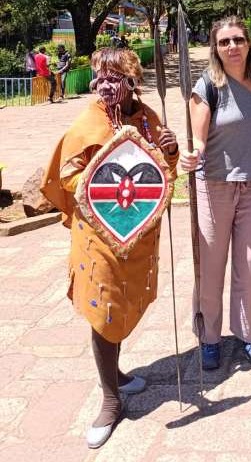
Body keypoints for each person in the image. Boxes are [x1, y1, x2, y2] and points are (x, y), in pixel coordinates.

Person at [40, 48, 179, 448]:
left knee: (124, 303)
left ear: (132, 81)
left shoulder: (148, 120)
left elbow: (162, 177)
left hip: (135, 239)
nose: (105, 85)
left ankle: (116, 376)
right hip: (96, 237)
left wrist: (167, 150)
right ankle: (111, 400)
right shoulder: (89, 123)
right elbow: (69, 179)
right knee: (103, 308)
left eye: (114, 77)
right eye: (100, 77)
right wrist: (101, 174)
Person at [179, 16, 251, 370]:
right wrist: (191, 156)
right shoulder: (207, 86)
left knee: (249, 266)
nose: (232, 47)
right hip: (215, 187)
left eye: (238, 39)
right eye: (224, 42)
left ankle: (249, 334)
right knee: (211, 265)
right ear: (215, 48)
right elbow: (198, 141)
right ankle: (209, 337)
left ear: (248, 43)